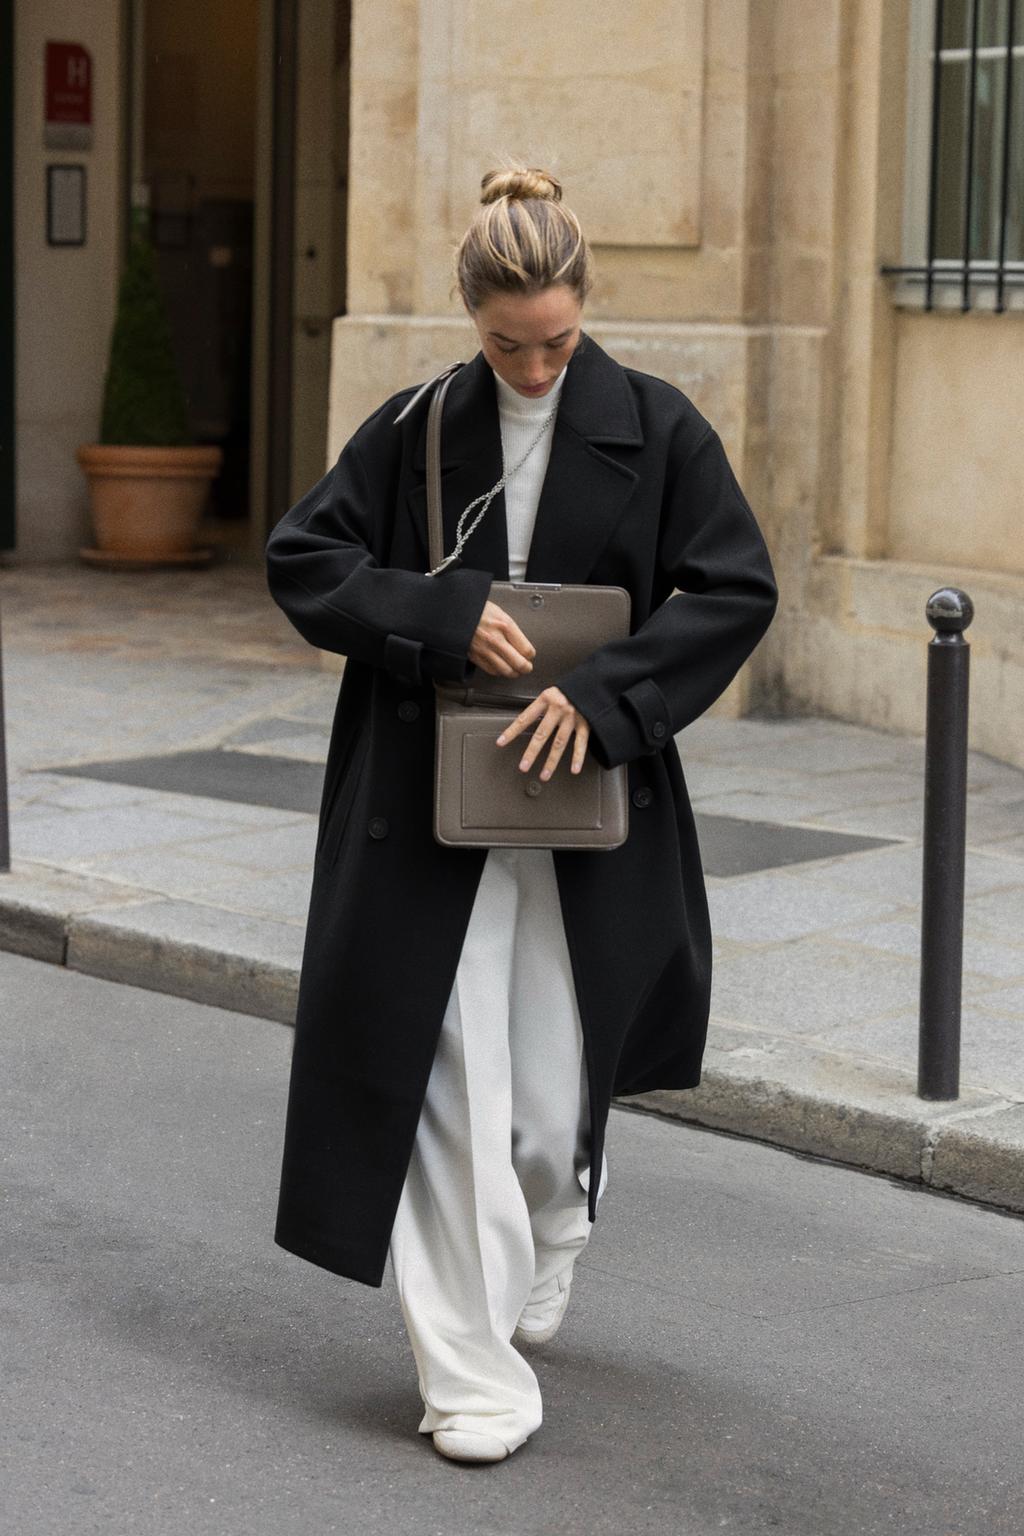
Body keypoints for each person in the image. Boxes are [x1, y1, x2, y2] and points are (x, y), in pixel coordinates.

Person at [264, 163, 778, 1466]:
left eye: (558, 341)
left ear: (584, 308)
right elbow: (304, 560)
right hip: (424, 808)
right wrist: (442, 615)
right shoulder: (416, 427)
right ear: (473, 320)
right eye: (509, 346)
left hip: (583, 803)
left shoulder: (660, 428)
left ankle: (558, 1219)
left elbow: (733, 589)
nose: (537, 369)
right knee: (445, 1079)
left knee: (551, 1111)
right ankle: (472, 1377)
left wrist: (607, 700)